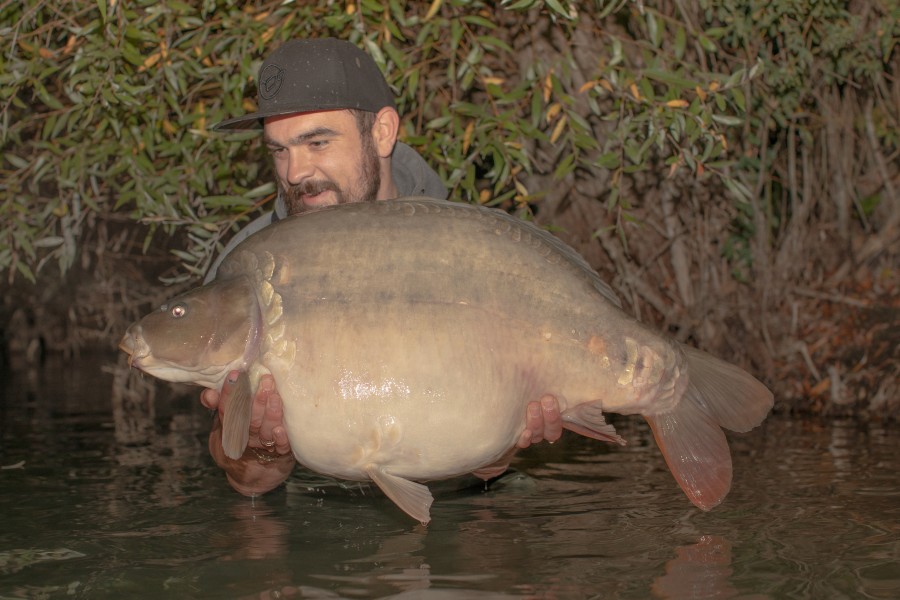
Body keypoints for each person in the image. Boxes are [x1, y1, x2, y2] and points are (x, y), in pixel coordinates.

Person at [200, 38, 562, 497]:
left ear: (383, 132)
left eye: (317, 142)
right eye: (279, 150)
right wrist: (261, 451)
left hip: (461, 509)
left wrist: (507, 437)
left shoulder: (469, 254)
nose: (294, 171)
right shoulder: (249, 269)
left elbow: (483, 466)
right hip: (314, 520)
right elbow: (249, 485)